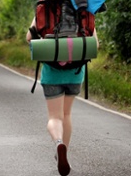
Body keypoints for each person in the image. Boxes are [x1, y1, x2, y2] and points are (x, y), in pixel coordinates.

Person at [26, 17, 99, 176]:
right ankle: (64, 150)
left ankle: (58, 143)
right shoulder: (84, 9)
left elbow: (29, 38)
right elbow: (95, 44)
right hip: (76, 73)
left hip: (52, 73)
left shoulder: (46, 6)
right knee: (66, 114)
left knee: (54, 117)